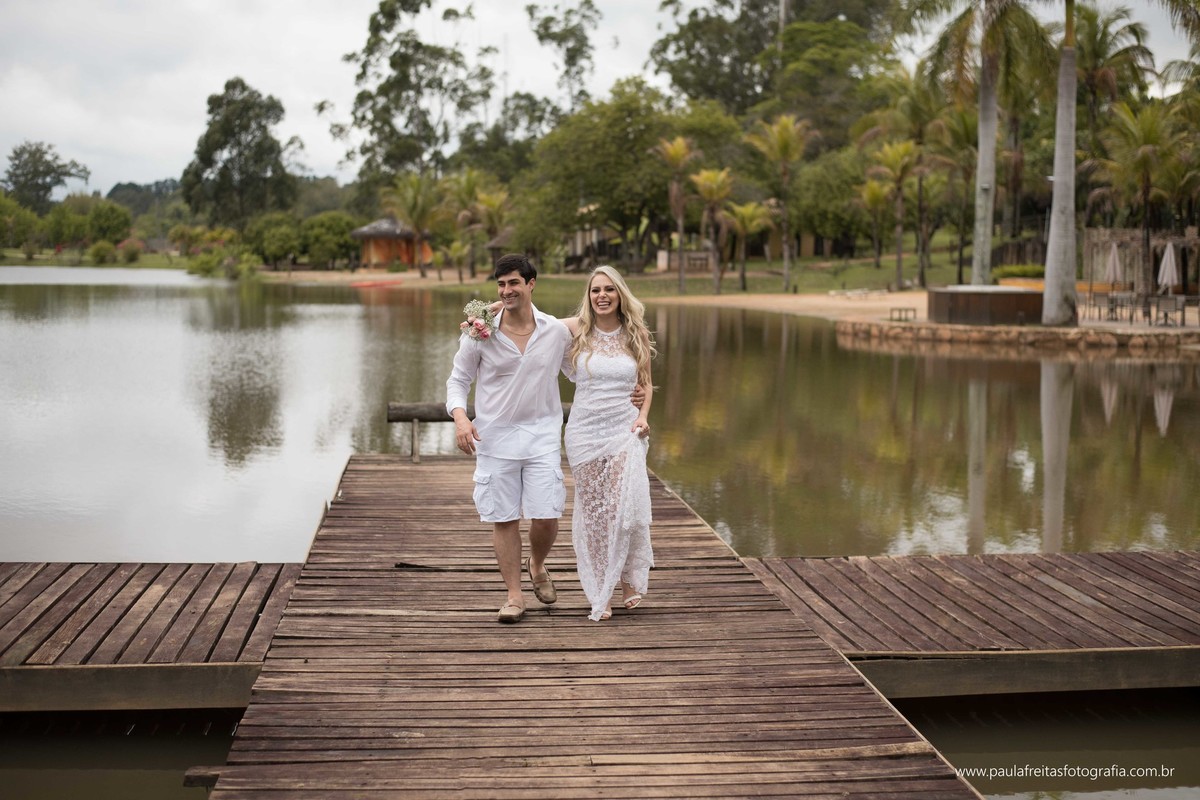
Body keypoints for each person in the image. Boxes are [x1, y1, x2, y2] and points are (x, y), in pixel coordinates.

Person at [446, 254, 643, 624]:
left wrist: (632, 394)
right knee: (504, 518)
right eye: (501, 284)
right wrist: (460, 418)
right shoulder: (478, 332)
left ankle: (536, 563)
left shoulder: (554, 331)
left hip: (542, 439)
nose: (506, 291)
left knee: (547, 516)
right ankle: (514, 596)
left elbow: (585, 370)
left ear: (531, 284)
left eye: (514, 283)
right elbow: (458, 380)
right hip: (495, 439)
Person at [560, 266, 655, 621]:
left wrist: (643, 416)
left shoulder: (636, 333)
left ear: (619, 294)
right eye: (595, 290)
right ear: (589, 296)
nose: (602, 296)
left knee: (621, 507)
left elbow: (646, 384)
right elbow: (532, 321)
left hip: (623, 430)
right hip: (583, 433)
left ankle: (627, 581)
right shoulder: (576, 329)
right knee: (595, 514)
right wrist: (493, 311)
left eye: (609, 289)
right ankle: (602, 588)